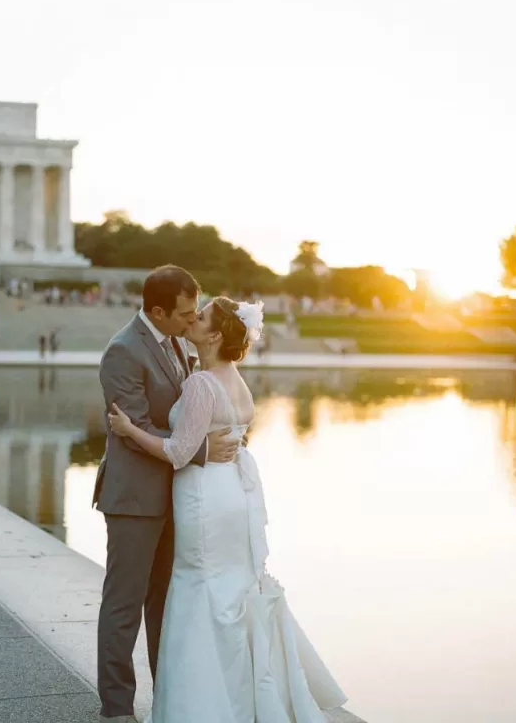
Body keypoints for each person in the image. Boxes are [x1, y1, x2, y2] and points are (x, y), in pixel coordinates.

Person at [108, 295, 347, 723]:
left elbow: (180, 451)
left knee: (197, 586)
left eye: (199, 318)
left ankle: (200, 705)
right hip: (234, 495)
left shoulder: (202, 383)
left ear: (216, 334)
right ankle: (238, 697)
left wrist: (129, 429)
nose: (191, 321)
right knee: (231, 588)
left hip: (203, 495)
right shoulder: (235, 378)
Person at [94, 265, 240, 723]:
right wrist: (202, 451)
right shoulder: (122, 352)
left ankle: (168, 697)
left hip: (175, 498)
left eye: (195, 311)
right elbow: (134, 426)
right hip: (134, 500)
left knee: (165, 604)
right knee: (124, 604)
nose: (190, 320)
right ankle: (117, 708)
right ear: (156, 311)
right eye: (182, 313)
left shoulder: (177, 340)